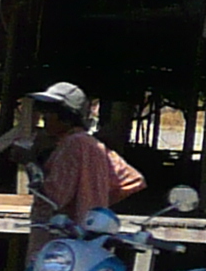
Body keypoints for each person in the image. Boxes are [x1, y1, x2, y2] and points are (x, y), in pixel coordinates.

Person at [28, 81, 146, 224]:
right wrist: (94, 202)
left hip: (63, 232)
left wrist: (29, 162)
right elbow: (132, 180)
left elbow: (53, 198)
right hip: (91, 229)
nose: (43, 117)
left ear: (66, 116)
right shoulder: (92, 144)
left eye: (49, 112)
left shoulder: (72, 145)